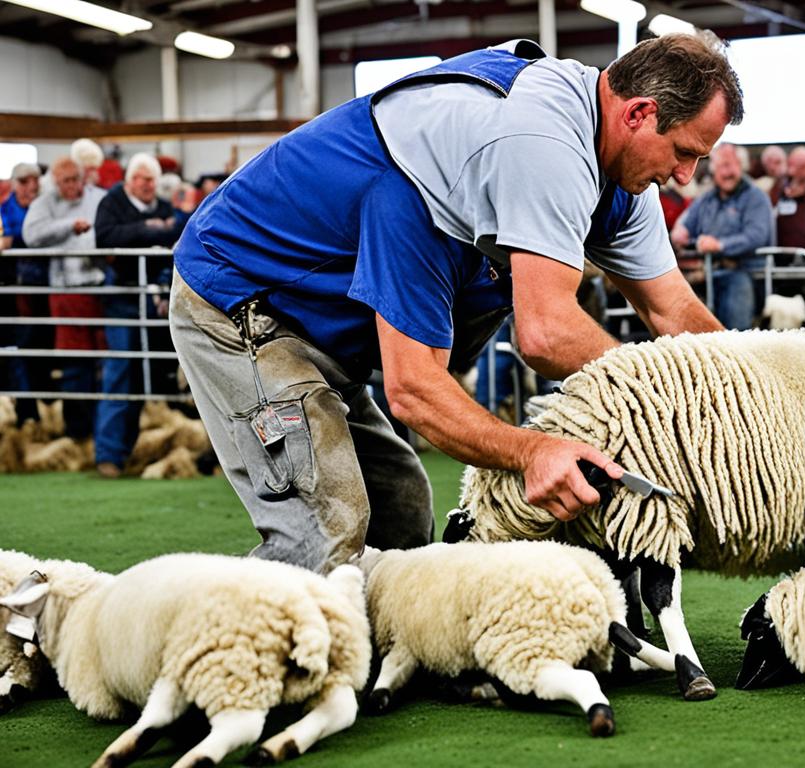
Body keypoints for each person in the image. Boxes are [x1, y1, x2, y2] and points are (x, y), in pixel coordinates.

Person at [168, 34, 743, 574]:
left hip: (329, 332)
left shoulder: (615, 174)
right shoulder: (506, 156)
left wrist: (753, 395)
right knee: (325, 537)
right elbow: (523, 343)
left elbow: (675, 314)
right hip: (245, 304)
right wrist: (548, 444)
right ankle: (208, 656)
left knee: (403, 518)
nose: (686, 177)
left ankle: (374, 670)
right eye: (684, 152)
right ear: (639, 113)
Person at [93, 152, 186, 478]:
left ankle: (137, 452)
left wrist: (151, 232)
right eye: (143, 179)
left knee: (155, 371)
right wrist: (150, 228)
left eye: (152, 180)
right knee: (120, 368)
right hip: (121, 295)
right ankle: (108, 454)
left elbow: (176, 232)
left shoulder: (162, 207)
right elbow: (105, 237)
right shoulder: (112, 203)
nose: (149, 185)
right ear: (130, 180)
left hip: (153, 296)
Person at [22, 156, 107, 439]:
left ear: (83, 178)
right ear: (55, 183)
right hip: (66, 291)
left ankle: (100, 428)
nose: (72, 186)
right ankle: (78, 433)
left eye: (75, 179)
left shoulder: (99, 198)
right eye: (65, 181)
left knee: (105, 359)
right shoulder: (45, 204)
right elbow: (30, 234)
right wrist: (69, 226)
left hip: (99, 287)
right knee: (74, 363)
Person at [671, 142, 774, 330]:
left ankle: (736, 352)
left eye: (731, 165)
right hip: (707, 272)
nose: (727, 172)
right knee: (673, 293)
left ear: (741, 166)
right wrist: (681, 231)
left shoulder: (756, 197)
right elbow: (685, 225)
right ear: (713, 170)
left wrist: (720, 245)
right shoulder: (706, 199)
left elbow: (756, 236)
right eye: (721, 166)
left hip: (745, 272)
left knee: (736, 288)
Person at [2, 162, 52, 426]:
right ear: (14, 184)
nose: (31, 187)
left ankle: (37, 412)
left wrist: (14, 240)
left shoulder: (45, 208)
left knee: (39, 350)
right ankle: (27, 413)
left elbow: (22, 237)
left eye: (35, 181)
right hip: (14, 293)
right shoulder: (5, 211)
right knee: (19, 350)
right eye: (24, 182)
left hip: (44, 289)